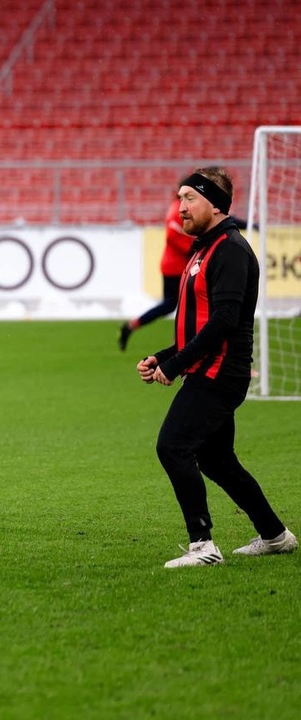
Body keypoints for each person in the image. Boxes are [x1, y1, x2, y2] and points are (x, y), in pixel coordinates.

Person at [135, 167, 296, 568]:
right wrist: (165, 353)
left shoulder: (230, 250)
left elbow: (225, 320)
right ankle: (275, 535)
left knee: (172, 447)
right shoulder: (206, 247)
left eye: (189, 198)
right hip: (209, 367)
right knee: (217, 460)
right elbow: (199, 321)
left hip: (220, 372)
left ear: (215, 203)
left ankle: (203, 546)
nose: (180, 207)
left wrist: (175, 365)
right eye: (179, 198)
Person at [119, 193, 193, 351]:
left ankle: (133, 326)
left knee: (172, 305)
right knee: (183, 304)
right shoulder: (177, 210)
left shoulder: (178, 208)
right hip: (176, 267)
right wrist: (194, 247)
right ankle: (179, 344)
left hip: (175, 265)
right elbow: (173, 237)